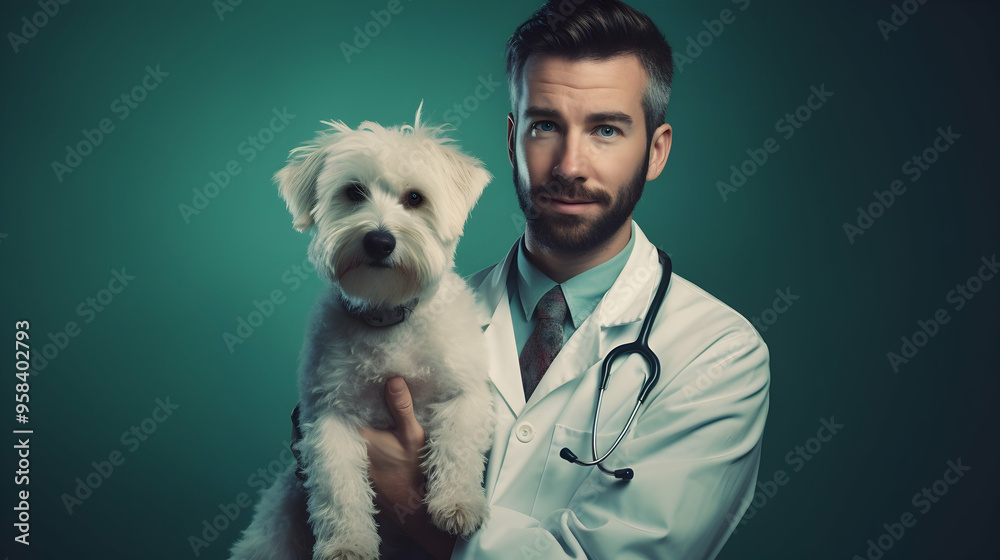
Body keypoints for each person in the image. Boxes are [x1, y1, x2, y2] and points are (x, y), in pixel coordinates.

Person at [360, 1, 771, 558]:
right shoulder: (405, 313)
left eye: (606, 129)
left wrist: (410, 500)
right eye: (546, 126)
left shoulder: (718, 354)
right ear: (511, 139)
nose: (569, 165)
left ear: (655, 151)